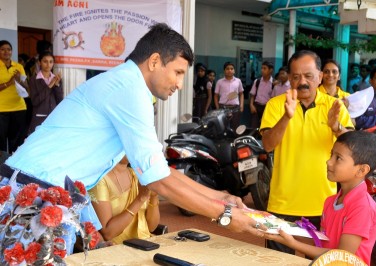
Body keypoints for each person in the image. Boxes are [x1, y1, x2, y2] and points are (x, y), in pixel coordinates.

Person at [1, 23, 265, 253]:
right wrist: (225, 215)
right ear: (154, 61)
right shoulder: (129, 89)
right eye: (178, 72)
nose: (180, 84)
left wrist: (221, 198)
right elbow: (159, 180)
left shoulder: (126, 85)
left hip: (49, 196)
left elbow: (159, 171)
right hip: (33, 196)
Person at [261, 50, 354, 254]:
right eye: (296, 76)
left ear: (320, 77)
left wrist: (336, 127)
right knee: (277, 261)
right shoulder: (276, 105)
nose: (302, 81)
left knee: (320, 261)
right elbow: (267, 145)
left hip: (323, 204)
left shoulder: (334, 106)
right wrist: (286, 117)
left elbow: (353, 147)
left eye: (308, 76)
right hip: (282, 204)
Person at [263, 131, 376, 265]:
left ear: (361, 170)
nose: (328, 162)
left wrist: (293, 243)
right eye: (331, 155)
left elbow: (341, 257)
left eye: (338, 158)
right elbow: (321, 242)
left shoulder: (362, 207)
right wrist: (281, 229)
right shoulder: (330, 202)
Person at [89, 156, 160, 244]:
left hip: (145, 243)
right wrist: (140, 199)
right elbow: (108, 233)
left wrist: (154, 197)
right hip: (117, 249)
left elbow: (151, 227)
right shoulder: (100, 181)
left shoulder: (136, 174)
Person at [0, 40, 28, 153]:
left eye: (9, 49)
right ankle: (2, 167)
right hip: (1, 109)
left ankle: (13, 166)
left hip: (19, 108)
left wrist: (19, 80)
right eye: (2, 49)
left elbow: (26, 87)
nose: (6, 52)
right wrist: (9, 83)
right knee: (0, 141)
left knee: (16, 141)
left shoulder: (19, 66)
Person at [28, 51, 63, 135]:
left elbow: (60, 101)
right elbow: (35, 101)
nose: (48, 64)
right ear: (39, 62)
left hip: (53, 118)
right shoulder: (34, 79)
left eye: (51, 62)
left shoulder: (56, 79)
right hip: (39, 118)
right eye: (45, 61)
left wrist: (57, 85)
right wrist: (50, 86)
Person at [214, 62, 244, 131]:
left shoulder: (238, 81)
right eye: (227, 69)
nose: (230, 70)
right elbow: (215, 96)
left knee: (235, 128)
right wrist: (217, 108)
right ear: (224, 71)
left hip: (235, 108)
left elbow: (241, 93)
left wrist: (241, 106)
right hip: (223, 108)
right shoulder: (219, 82)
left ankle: (234, 141)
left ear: (234, 70)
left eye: (231, 69)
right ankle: (223, 141)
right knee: (223, 127)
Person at [249, 61, 274, 128]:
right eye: (261, 68)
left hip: (267, 108)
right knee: (253, 126)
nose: (262, 70)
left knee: (265, 128)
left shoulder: (273, 83)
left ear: (270, 70)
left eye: (264, 68)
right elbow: (252, 95)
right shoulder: (257, 81)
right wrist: (251, 105)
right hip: (256, 107)